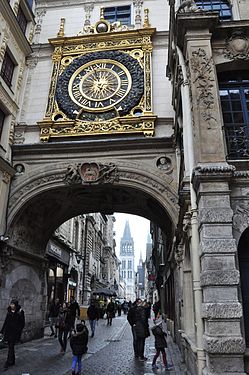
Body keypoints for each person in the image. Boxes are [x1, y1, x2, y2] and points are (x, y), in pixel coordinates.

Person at [0, 299, 25, 370]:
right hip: (8, 332)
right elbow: (6, 321)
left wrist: (18, 330)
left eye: (13, 304)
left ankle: (8, 362)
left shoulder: (20, 312)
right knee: (11, 346)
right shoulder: (9, 311)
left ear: (16, 305)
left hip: (15, 332)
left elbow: (22, 323)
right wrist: (2, 331)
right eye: (11, 304)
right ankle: (12, 360)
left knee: (11, 346)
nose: (11, 305)